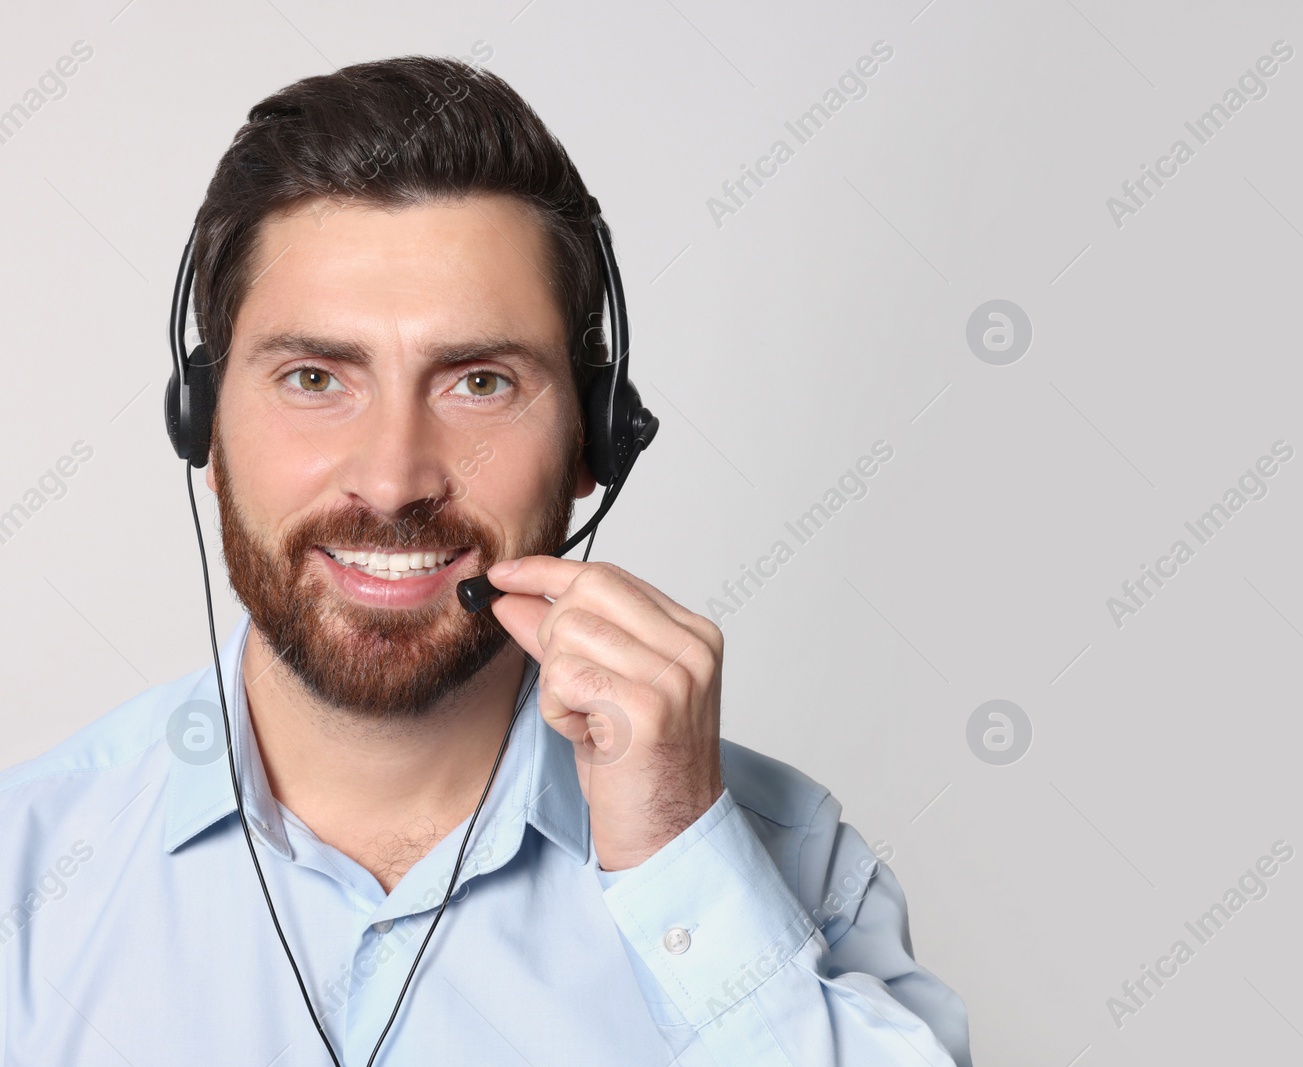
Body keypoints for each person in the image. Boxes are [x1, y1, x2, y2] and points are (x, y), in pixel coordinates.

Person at [0, 56, 971, 1066]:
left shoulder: (795, 872)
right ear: (203, 427)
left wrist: (679, 857)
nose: (391, 479)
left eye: (478, 381)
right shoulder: (24, 873)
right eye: (314, 375)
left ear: (598, 438)